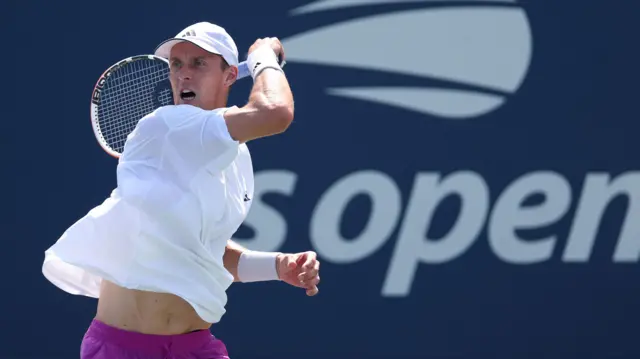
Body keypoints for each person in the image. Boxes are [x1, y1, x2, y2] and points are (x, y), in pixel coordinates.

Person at [42, 21, 320, 359]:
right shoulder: (166, 125)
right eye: (177, 64)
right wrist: (264, 59)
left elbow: (205, 252)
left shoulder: (237, 158)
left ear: (230, 75)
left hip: (195, 346)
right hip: (124, 349)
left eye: (198, 63)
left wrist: (277, 267)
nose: (183, 74)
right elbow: (275, 112)